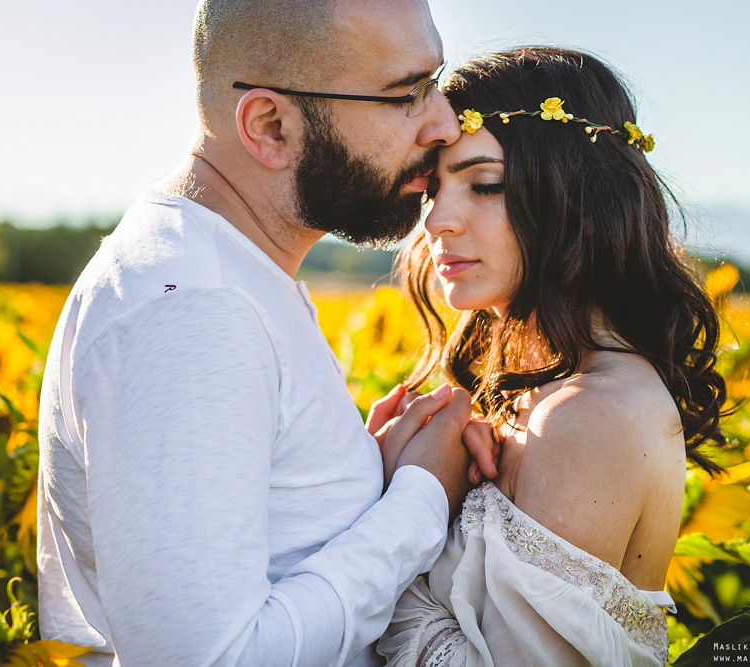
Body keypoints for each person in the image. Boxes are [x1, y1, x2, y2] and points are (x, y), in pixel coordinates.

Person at [35, 1, 497, 665]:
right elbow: (212, 659)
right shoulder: (193, 310)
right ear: (270, 126)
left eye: (436, 83)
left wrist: (359, 476)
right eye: (405, 94)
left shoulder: (224, 273)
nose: (444, 121)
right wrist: (421, 500)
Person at [377, 47, 729, 666]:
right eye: (433, 189)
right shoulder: (542, 391)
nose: (438, 222)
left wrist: (405, 501)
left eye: (485, 185)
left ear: (585, 203)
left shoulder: (590, 416)